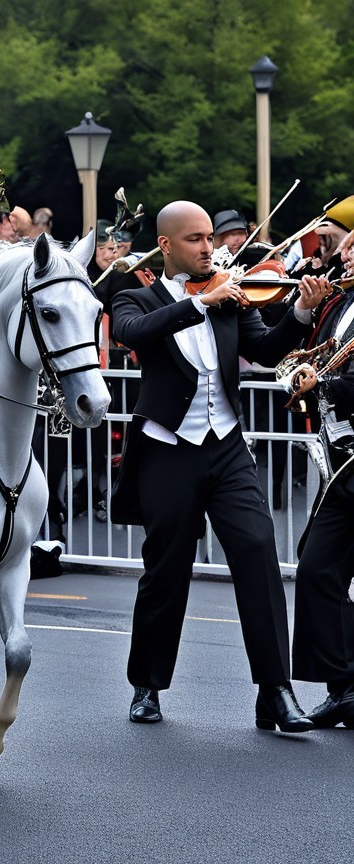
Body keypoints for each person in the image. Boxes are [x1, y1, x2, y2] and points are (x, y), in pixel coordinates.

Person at [109, 200, 328, 732]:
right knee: (166, 568)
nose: (210, 247)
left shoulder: (233, 296)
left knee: (257, 550)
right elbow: (133, 334)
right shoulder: (134, 297)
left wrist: (299, 315)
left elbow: (268, 349)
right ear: (165, 246)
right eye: (196, 239)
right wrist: (200, 303)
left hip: (227, 445)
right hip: (168, 448)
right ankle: (148, 685)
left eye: (211, 237)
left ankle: (275, 690)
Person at [285, 272, 354, 727]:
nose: (346, 254)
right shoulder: (339, 303)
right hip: (345, 463)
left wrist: (323, 386)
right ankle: (344, 686)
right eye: (347, 246)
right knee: (316, 568)